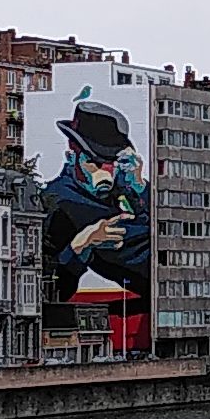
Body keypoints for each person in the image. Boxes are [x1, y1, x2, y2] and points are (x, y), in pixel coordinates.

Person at [43, 100, 150, 302]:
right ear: (72, 155)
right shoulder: (56, 203)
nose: (105, 172)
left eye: (112, 162)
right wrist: (82, 245)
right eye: (94, 162)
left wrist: (141, 186)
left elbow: (174, 228)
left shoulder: (128, 186)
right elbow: (52, 290)